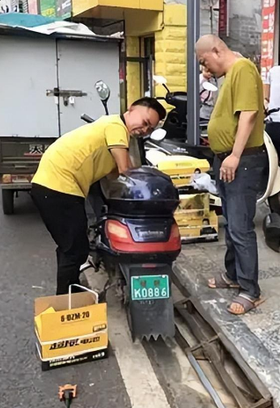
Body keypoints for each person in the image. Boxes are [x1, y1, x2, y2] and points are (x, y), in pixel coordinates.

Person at [31, 98, 166, 295]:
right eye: (145, 122)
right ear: (131, 110)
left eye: (150, 129)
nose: (144, 130)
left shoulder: (113, 134)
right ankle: (66, 303)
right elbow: (126, 171)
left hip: (53, 186)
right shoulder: (116, 126)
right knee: (75, 249)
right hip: (58, 186)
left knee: (70, 246)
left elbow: (114, 179)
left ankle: (71, 293)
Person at [196, 34, 267, 315]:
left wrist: (235, 155)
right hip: (226, 160)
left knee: (240, 227)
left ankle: (251, 290)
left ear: (216, 50)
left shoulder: (243, 69)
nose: (205, 68)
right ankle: (233, 275)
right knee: (231, 223)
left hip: (243, 161)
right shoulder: (230, 75)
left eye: (204, 61)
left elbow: (249, 114)